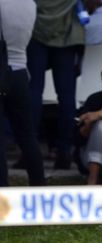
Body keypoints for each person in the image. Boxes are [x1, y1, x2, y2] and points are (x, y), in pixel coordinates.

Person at [27, 0, 85, 169]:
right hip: (66, 34)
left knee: (34, 91)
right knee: (67, 96)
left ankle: (29, 150)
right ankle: (64, 150)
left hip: (36, 31)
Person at [0, 0, 46, 186]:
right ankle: (39, 185)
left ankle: (2, 188)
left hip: (2, 70)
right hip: (20, 71)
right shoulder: (30, 4)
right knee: (27, 135)